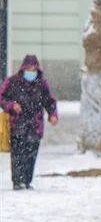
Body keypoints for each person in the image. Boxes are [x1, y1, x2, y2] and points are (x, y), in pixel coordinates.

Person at [0, 54, 58, 189]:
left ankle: (26, 181)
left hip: (35, 125)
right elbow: (2, 97)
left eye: (34, 69)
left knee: (31, 155)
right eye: (28, 68)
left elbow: (49, 101)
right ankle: (17, 181)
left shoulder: (42, 84)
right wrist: (11, 105)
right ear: (23, 68)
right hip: (17, 124)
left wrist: (53, 115)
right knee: (18, 154)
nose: (31, 72)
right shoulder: (12, 82)